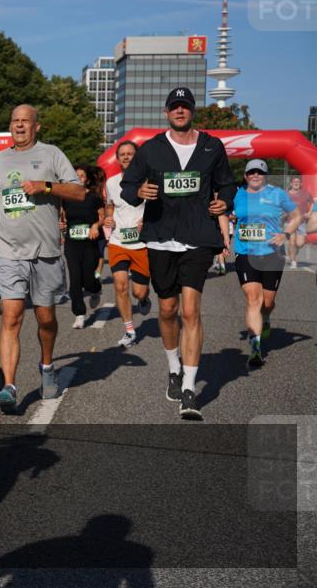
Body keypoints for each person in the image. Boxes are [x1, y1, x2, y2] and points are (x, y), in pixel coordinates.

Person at [120, 87, 235, 421]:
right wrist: (138, 191)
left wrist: (223, 201)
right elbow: (128, 186)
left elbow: (228, 184)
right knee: (167, 309)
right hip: (159, 237)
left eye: (185, 107)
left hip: (197, 236)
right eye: (175, 107)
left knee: (190, 311)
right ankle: (173, 368)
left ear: (193, 110)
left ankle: (189, 387)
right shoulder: (151, 149)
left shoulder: (212, 147)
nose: (180, 111)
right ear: (166, 112)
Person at [0, 105, 85, 411]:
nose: (19, 126)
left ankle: (47, 365)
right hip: (9, 251)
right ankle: (9, 384)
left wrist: (45, 186)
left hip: (45, 251)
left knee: (45, 319)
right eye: (15, 121)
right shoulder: (0, 158)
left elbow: (78, 191)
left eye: (25, 122)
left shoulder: (52, 154)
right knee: (11, 317)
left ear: (37, 127)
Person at [231, 160, 303, 367]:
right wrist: (223, 233)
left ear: (265, 175)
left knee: (267, 303)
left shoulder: (278, 194)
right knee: (253, 299)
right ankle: (255, 349)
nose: (255, 175)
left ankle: (267, 317)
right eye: (251, 172)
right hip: (245, 252)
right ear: (245, 176)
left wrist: (286, 233)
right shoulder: (237, 194)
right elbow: (223, 212)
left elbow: (297, 216)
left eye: (260, 172)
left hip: (272, 253)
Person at [103, 141, 152, 348]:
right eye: (122, 154)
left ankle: (143, 300)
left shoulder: (148, 181)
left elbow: (159, 207)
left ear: (137, 156)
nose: (126, 157)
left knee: (139, 291)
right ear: (118, 157)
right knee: (120, 285)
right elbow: (110, 206)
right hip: (118, 241)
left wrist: (148, 220)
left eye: (130, 154)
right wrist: (108, 219)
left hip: (141, 243)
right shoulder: (111, 182)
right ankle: (129, 330)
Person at [59, 165, 104, 329]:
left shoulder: (94, 197)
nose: (78, 178)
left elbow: (102, 217)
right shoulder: (65, 197)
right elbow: (62, 217)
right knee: (75, 279)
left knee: (88, 279)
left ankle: (96, 288)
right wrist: (61, 225)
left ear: (88, 179)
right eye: (75, 175)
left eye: (82, 176)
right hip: (72, 242)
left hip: (89, 242)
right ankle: (79, 314)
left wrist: (95, 226)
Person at [286, 176, 313, 268]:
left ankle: (292, 252)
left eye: (298, 181)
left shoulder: (305, 194)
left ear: (301, 184)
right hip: (290, 221)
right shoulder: (286, 194)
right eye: (294, 181)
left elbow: (312, 203)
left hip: (301, 222)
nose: (296, 183)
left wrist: (309, 213)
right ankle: (294, 261)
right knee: (292, 241)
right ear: (291, 183)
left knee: (300, 244)